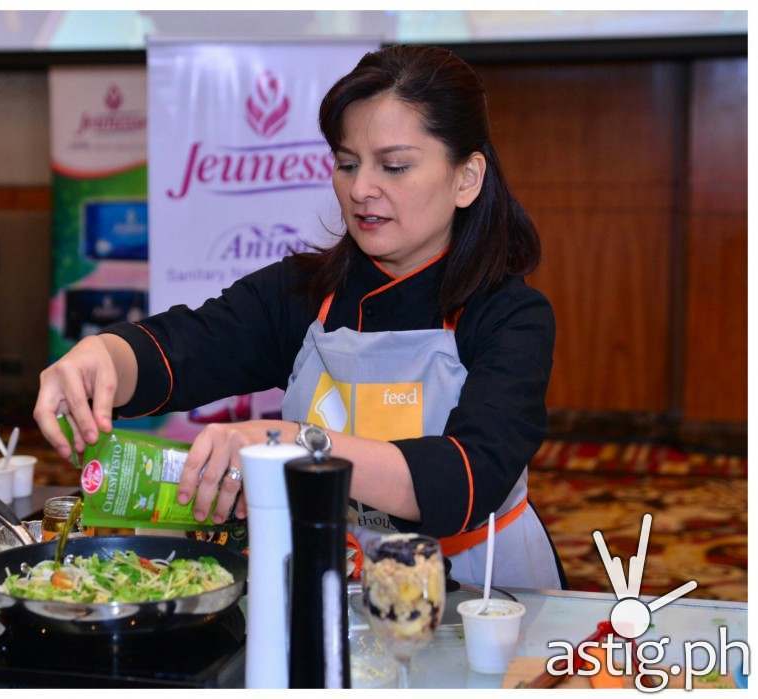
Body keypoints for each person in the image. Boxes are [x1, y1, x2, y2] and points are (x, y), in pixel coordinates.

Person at [34, 46, 566, 590]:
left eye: (395, 166)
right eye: (347, 164)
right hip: (331, 574)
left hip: (482, 591)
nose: (361, 190)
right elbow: (185, 347)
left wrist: (291, 443)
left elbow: (462, 482)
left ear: (466, 178)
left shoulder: (510, 316)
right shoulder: (305, 293)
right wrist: (101, 358)